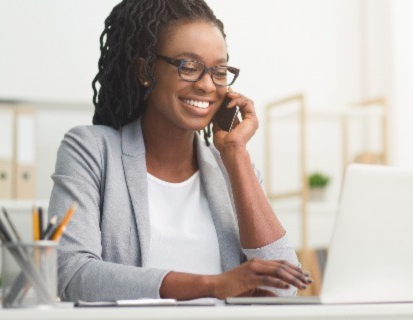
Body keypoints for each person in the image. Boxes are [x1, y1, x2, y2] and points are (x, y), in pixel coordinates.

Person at [48, 0, 312, 302]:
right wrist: (211, 285)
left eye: (220, 71)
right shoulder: (91, 150)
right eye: (190, 67)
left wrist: (236, 153)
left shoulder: (232, 167)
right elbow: (71, 273)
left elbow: (284, 288)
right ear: (145, 70)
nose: (207, 85)